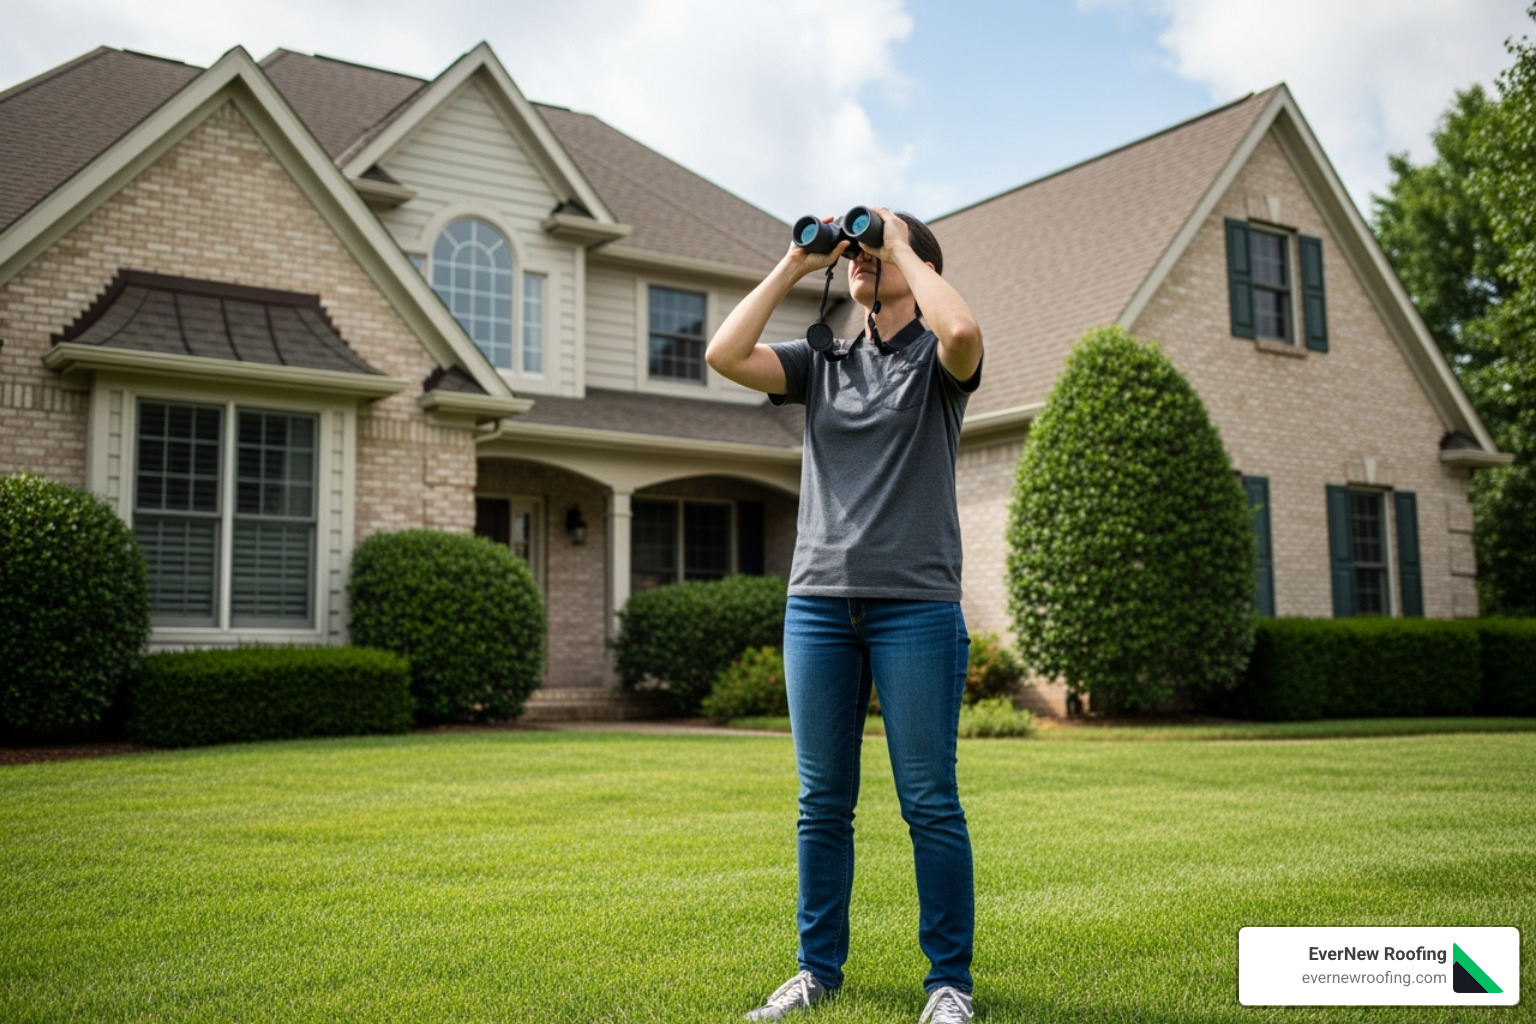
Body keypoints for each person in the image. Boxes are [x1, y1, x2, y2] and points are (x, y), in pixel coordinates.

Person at [705, 207, 983, 1024]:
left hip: (917, 606)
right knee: (821, 802)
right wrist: (796, 263)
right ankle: (815, 972)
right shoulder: (820, 360)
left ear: (909, 259)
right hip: (818, 605)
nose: (857, 258)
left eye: (872, 251)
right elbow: (725, 355)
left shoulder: (940, 358)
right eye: (853, 254)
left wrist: (897, 241)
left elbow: (961, 323)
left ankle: (949, 985)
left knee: (929, 798)